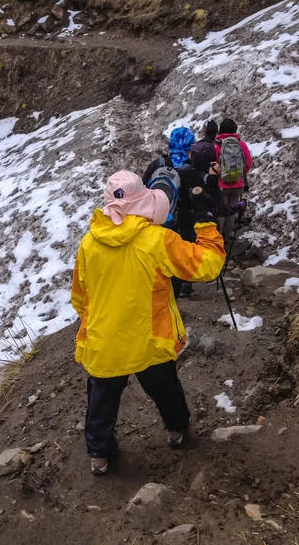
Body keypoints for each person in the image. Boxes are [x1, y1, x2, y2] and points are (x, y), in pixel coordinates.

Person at [71, 170, 225, 475]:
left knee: (102, 399)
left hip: (104, 341)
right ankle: (176, 431)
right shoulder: (158, 240)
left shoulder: (89, 243)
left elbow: (79, 296)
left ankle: (99, 456)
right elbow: (209, 266)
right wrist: (206, 221)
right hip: (149, 338)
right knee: (165, 388)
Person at [143, 127, 218, 298]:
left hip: (157, 219)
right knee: (179, 253)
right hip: (183, 220)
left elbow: (143, 186)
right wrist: (212, 178)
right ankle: (181, 286)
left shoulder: (158, 164)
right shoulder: (190, 171)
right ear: (190, 147)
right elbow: (205, 198)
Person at [215, 118, 252, 239]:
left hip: (221, 184)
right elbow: (248, 163)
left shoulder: (218, 145)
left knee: (221, 211)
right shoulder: (241, 144)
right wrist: (240, 176)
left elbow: (214, 164)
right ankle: (228, 234)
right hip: (238, 184)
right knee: (233, 209)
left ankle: (218, 237)